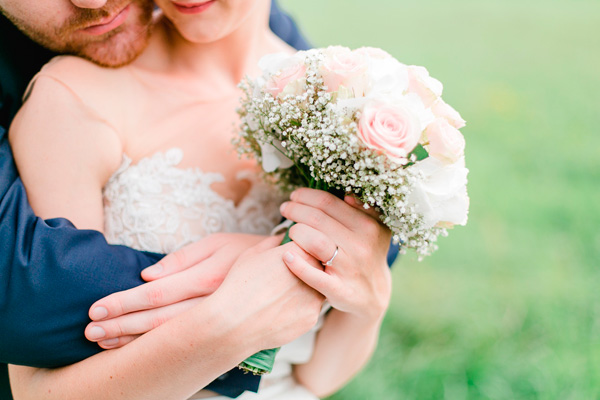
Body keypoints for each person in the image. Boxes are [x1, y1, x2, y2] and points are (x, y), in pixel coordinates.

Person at [3, 0, 397, 398]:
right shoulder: (75, 97)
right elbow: (37, 391)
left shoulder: (337, 99)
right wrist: (229, 321)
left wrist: (371, 298)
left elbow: (317, 377)